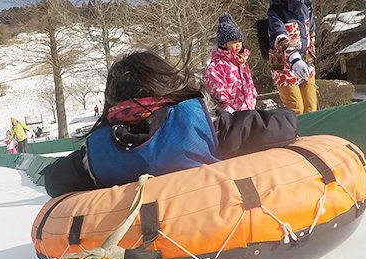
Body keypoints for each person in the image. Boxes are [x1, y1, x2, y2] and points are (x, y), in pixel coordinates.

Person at [42, 50, 298, 197]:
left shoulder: (96, 154)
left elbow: (54, 181)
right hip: (209, 227)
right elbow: (282, 127)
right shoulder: (204, 125)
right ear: (166, 87)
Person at [267, 0, 317, 115]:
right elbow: (279, 36)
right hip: (284, 68)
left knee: (311, 108)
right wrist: (294, 58)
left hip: (306, 63)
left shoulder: (306, 6)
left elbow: (311, 33)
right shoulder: (275, 12)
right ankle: (296, 131)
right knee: (297, 110)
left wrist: (310, 59)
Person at [204, 13, 258, 112]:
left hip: (248, 107)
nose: (238, 45)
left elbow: (249, 82)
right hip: (231, 112)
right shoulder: (218, 65)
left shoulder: (241, 61)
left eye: (239, 41)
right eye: (234, 42)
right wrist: (226, 106)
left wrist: (253, 97)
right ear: (224, 44)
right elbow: (216, 88)